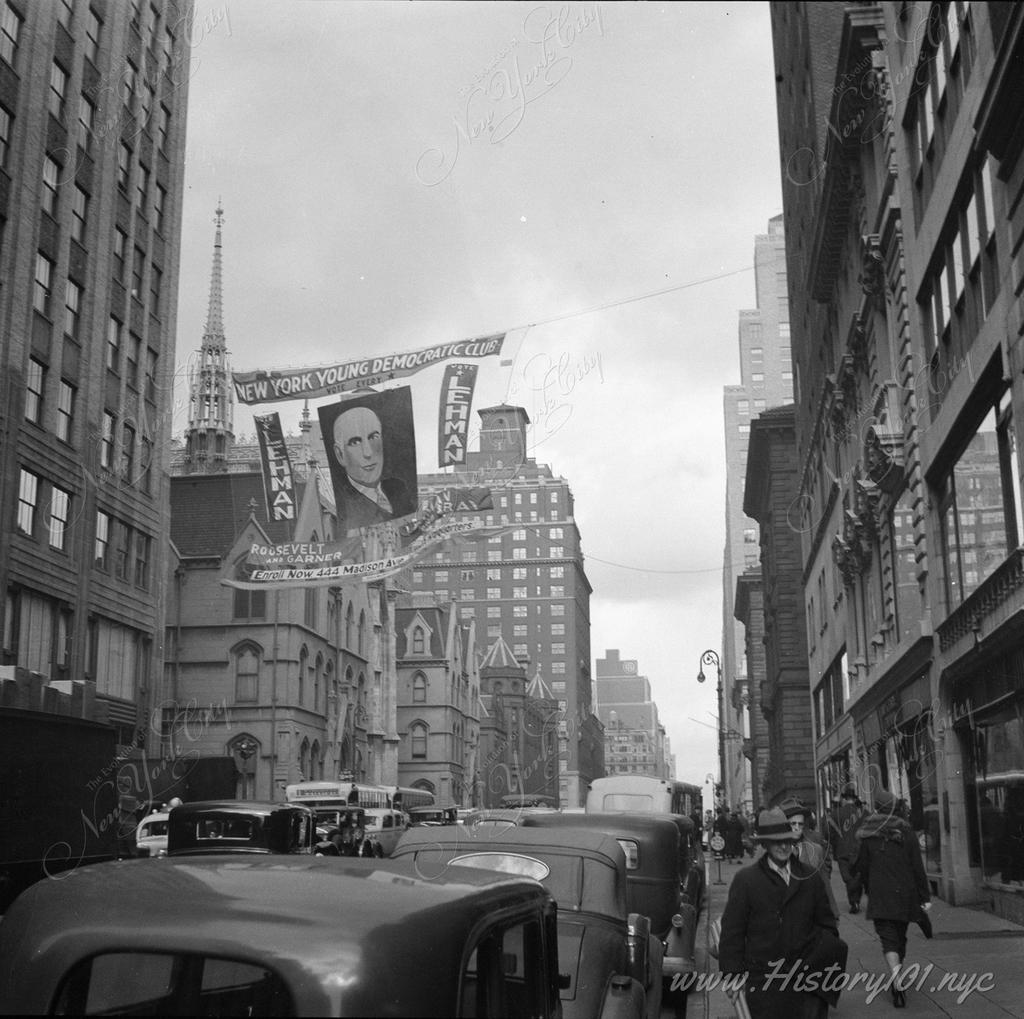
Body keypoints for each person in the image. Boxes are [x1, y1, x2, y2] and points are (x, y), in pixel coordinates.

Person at [719, 806, 845, 1018]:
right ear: (765, 844)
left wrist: (820, 961)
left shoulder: (809, 877)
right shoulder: (747, 880)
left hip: (807, 980)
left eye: (787, 839)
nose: (784, 846)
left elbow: (827, 925)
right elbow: (732, 933)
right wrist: (733, 975)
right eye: (777, 841)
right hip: (764, 983)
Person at [852, 789, 931, 1008]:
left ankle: (897, 980)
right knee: (899, 937)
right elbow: (917, 867)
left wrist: (867, 887)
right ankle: (898, 979)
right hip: (905, 895)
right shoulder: (907, 833)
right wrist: (924, 896)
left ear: (877, 809)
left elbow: (862, 867)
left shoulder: (868, 835)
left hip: (880, 896)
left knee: (889, 939)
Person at [332, 405, 413, 532]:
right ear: (340, 454)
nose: (368, 453)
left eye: (373, 437)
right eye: (355, 442)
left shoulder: (398, 488)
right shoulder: (341, 503)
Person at [780, 797, 840, 921]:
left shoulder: (816, 850)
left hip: (809, 917)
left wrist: (833, 913)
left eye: (800, 824)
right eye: (792, 824)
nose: (797, 828)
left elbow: (824, 883)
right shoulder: (769, 852)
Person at [829, 784, 864, 913]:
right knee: (856, 875)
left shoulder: (835, 814)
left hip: (842, 850)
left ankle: (854, 901)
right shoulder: (862, 813)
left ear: (844, 799)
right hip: (859, 850)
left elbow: (830, 833)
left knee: (848, 877)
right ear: (855, 799)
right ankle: (856, 901)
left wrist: (834, 845)